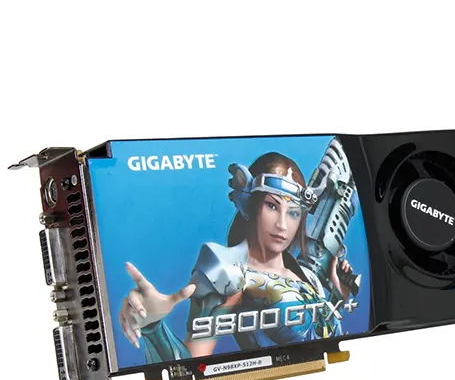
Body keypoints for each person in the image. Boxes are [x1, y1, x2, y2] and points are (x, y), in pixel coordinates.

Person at [118, 149, 355, 363]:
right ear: (249, 204)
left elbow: (322, 333)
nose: (283, 225)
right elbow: (188, 367)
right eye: (272, 206)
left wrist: (339, 294)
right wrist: (153, 328)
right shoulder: (228, 272)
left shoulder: (307, 277)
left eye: (293, 213)